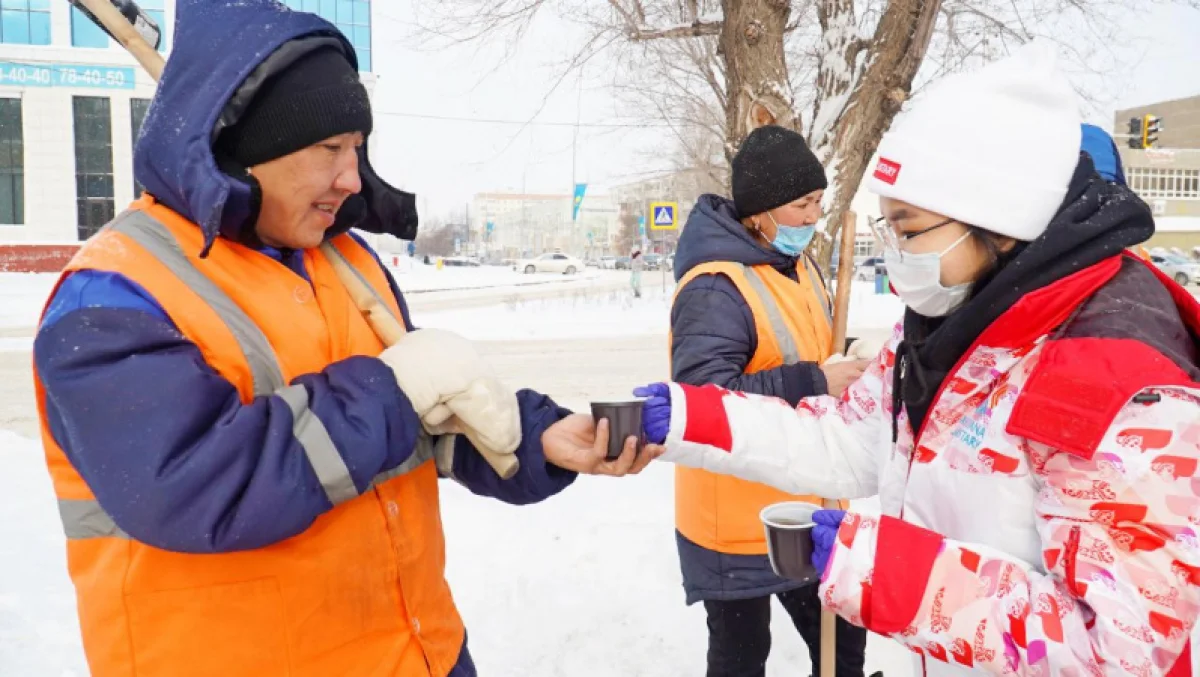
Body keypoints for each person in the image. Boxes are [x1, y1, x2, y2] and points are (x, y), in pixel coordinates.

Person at [32, 3, 655, 676]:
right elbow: (196, 485)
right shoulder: (114, 297)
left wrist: (534, 437)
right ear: (251, 152)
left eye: (357, 149)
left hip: (418, 653)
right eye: (329, 149)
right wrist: (397, 387)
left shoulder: (345, 262)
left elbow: (415, 423)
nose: (352, 179)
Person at [638, 42, 1200, 675]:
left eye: (907, 229)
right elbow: (844, 439)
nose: (896, 251)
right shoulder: (955, 328)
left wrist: (874, 566)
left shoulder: (1116, 379)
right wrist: (686, 418)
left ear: (998, 220)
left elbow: (1118, 651)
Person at [649, 125, 869, 677]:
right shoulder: (714, 287)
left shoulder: (797, 267)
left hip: (808, 502)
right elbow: (702, 401)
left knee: (842, 649)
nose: (813, 217)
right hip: (734, 519)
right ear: (760, 212)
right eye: (801, 204)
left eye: (819, 202)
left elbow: (811, 352)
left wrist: (846, 361)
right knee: (741, 658)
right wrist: (816, 381)